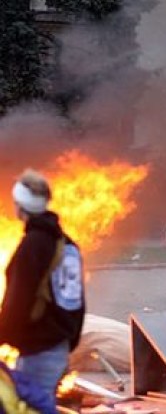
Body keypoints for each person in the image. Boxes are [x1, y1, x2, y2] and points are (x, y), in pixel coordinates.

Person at [0, 169, 85, 404]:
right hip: (59, 347)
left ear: (20, 206)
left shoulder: (32, 246)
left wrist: (3, 335)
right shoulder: (67, 244)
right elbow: (77, 302)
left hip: (37, 350)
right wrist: (69, 339)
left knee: (31, 407)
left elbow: (18, 300)